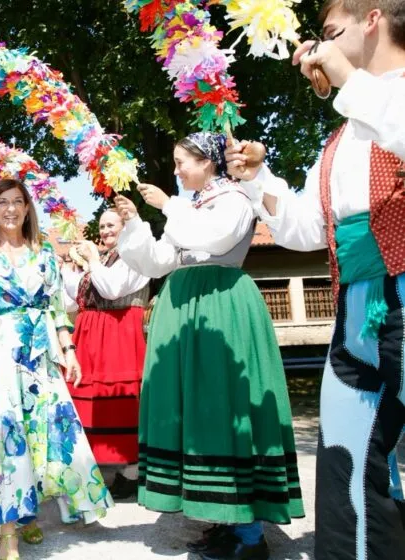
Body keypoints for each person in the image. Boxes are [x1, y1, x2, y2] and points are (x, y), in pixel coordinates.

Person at [225, 1, 405, 557]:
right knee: (346, 458)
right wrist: (259, 182)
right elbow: (309, 229)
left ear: (371, 18)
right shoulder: (343, 135)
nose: (317, 47)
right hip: (357, 309)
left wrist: (348, 79)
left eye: (329, 32)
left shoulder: (387, 100)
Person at [115, 132, 304, 560]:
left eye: (183, 161)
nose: (177, 169)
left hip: (218, 305)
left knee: (222, 407)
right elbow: (159, 261)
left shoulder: (236, 198)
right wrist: (134, 224)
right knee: (194, 412)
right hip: (184, 307)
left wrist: (169, 205)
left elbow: (217, 240)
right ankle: (222, 518)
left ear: (209, 162)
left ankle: (251, 536)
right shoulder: (192, 206)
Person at [0, 179, 113, 560]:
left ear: (26, 208)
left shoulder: (44, 253)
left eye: (17, 202)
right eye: (2, 202)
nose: (10, 209)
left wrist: (69, 351)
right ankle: (8, 533)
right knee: (5, 435)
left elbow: (56, 310)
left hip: (39, 353)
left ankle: (28, 513)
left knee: (43, 433)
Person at [62, 210, 150, 500]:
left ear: (125, 228)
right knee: (89, 399)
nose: (105, 230)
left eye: (111, 225)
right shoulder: (99, 260)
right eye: (101, 226)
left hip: (119, 331)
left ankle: (132, 471)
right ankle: (98, 465)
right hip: (91, 334)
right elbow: (72, 303)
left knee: (121, 399)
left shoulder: (135, 256)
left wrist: (93, 260)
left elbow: (112, 290)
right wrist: (68, 269)